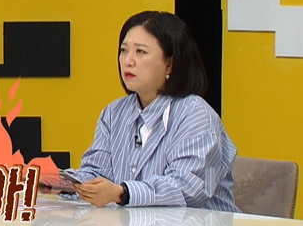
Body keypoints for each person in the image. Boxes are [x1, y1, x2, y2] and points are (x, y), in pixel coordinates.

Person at [64, 11, 239, 212]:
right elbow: (97, 172)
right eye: (124, 50)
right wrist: (64, 183)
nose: (128, 61)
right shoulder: (113, 113)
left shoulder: (195, 114)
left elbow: (187, 188)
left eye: (140, 52)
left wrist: (123, 193)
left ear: (170, 64)